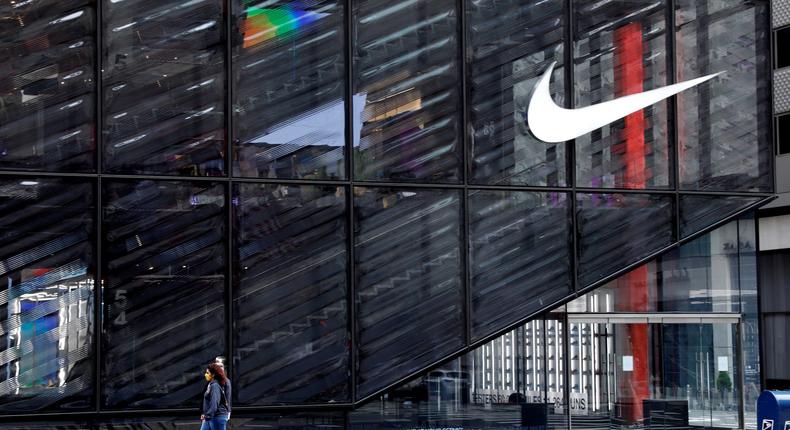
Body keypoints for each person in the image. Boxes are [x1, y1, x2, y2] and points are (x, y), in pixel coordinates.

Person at [200, 363, 230, 430]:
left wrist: (207, 415)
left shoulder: (215, 386)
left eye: (207, 373)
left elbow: (214, 403)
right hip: (211, 416)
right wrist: (205, 414)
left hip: (217, 417)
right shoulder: (211, 384)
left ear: (213, 374)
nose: (206, 375)